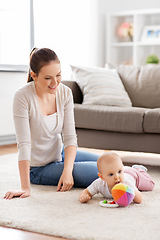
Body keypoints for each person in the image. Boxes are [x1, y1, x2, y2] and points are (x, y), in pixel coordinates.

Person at [4, 48, 99, 200]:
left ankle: (133, 173)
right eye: (48, 78)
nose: (55, 82)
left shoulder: (65, 92)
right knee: (100, 171)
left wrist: (67, 170)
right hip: (38, 168)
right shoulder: (22, 97)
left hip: (58, 153)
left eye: (58, 75)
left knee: (108, 162)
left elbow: (70, 137)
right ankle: (132, 176)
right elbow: (24, 144)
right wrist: (25, 187)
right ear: (34, 75)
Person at [79, 152, 155, 204]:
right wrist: (83, 196)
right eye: (111, 174)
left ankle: (138, 169)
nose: (117, 177)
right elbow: (86, 191)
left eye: (119, 172)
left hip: (132, 174)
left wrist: (129, 190)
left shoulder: (126, 182)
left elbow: (139, 199)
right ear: (102, 177)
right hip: (124, 170)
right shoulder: (99, 183)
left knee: (151, 185)